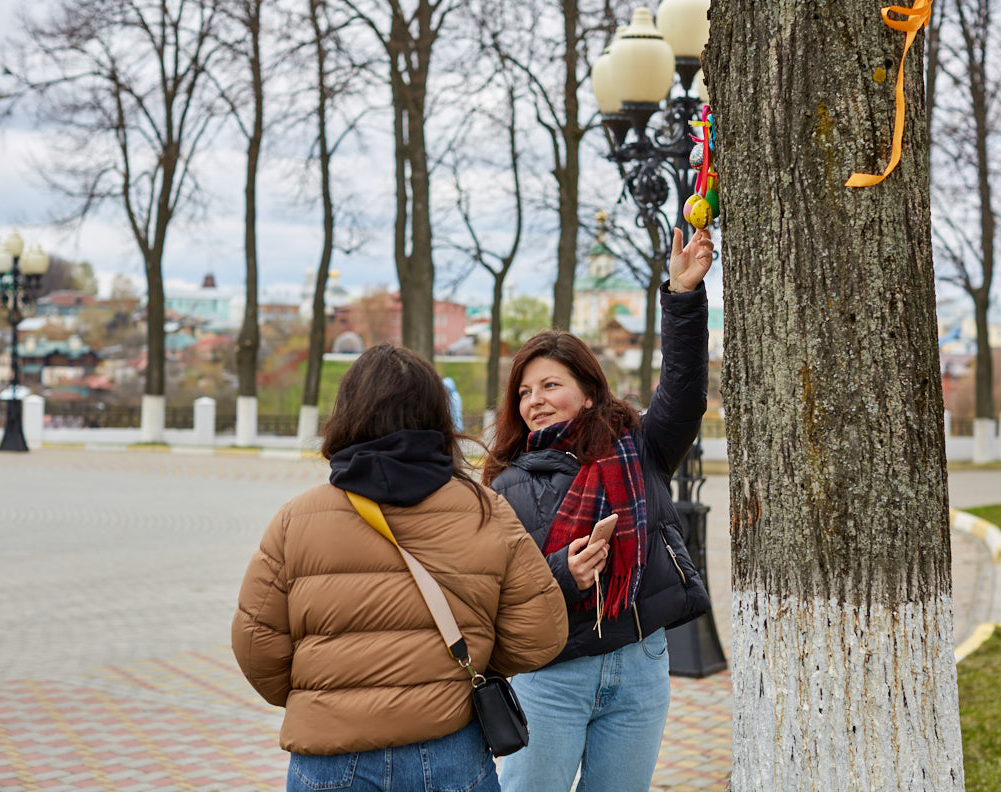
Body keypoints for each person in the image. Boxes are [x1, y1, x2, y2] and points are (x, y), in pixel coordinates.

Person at [232, 344, 569, 792]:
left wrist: (322, 694)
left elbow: (255, 645)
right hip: (449, 746)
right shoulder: (486, 511)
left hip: (330, 754)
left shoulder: (297, 518)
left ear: (346, 414)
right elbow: (541, 632)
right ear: (437, 417)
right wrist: (468, 669)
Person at [482, 227, 716, 792]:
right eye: (524, 392)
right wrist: (564, 573)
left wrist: (683, 296)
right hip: (551, 673)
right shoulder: (504, 484)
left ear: (588, 392)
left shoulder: (641, 449)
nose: (534, 400)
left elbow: (684, 392)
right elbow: (495, 590)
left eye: (550, 385)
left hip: (640, 663)